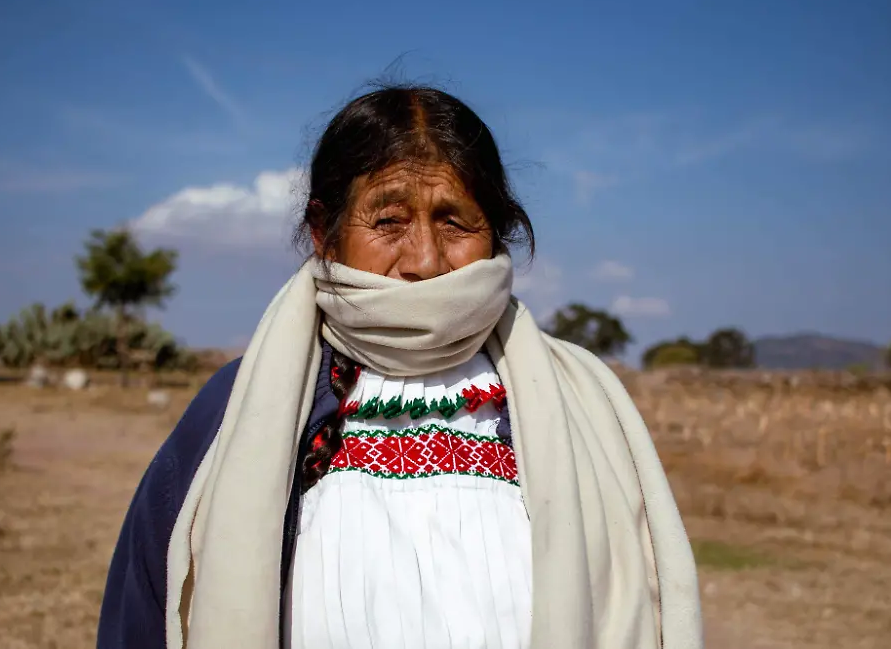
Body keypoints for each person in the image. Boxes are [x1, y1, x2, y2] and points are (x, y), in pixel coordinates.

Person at [96, 85, 702, 649]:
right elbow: (143, 614)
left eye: (454, 221)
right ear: (323, 233)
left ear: (497, 234)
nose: (425, 261)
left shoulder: (583, 403)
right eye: (388, 220)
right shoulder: (235, 410)